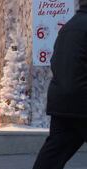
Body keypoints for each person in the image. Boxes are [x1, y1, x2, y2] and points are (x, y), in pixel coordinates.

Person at [32, 1, 87, 169]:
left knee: (53, 154)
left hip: (61, 100)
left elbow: (56, 60)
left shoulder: (68, 26)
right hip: (82, 100)